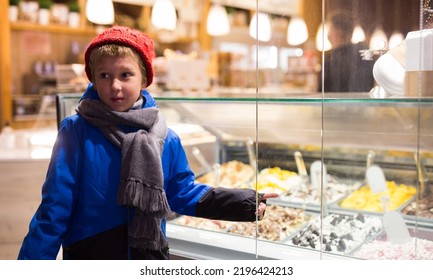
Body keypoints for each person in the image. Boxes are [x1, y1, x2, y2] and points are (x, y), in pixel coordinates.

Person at [18, 26, 278, 260]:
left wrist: (245, 202)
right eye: (105, 75)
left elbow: (181, 193)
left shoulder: (166, 137)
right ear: (93, 80)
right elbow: (54, 208)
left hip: (148, 256)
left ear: (144, 80)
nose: (115, 86)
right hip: (92, 255)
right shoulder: (76, 131)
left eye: (125, 74)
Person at [318, 12, 375, 93]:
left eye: (330, 29)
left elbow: (322, 94)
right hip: (363, 105)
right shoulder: (363, 55)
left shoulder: (331, 61)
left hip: (335, 105)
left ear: (337, 32)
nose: (328, 34)